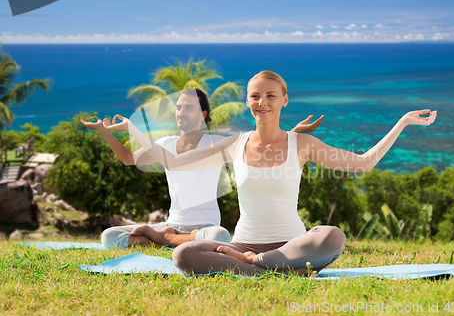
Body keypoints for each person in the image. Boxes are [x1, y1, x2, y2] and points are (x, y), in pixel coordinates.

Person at [105, 71, 437, 275]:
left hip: (291, 243)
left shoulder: (302, 143)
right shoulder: (234, 144)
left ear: (284, 101)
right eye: (255, 96)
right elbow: (175, 161)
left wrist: (403, 122)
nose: (262, 101)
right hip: (242, 242)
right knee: (183, 255)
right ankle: (272, 268)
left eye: (270, 95)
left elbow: (364, 163)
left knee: (332, 236)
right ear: (247, 101)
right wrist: (133, 129)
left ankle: (259, 265)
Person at [81, 88, 323, 249]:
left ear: (202, 115)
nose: (180, 112)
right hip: (173, 224)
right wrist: (103, 131)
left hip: (205, 228)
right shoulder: (165, 144)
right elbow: (127, 158)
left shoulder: (214, 143)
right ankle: (167, 237)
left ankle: (162, 239)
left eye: (187, 108)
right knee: (109, 237)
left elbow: (260, 146)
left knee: (220, 237)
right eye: (178, 107)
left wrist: (294, 134)